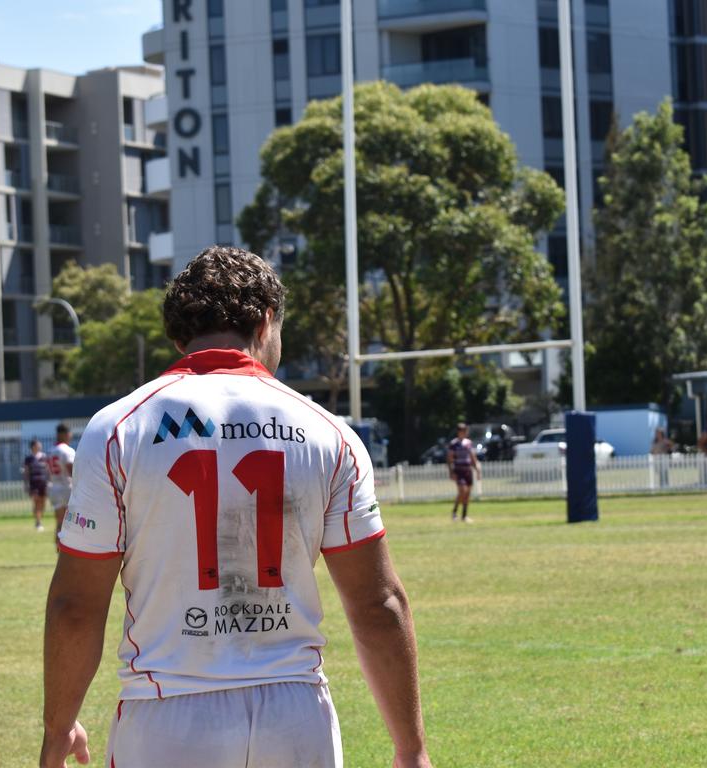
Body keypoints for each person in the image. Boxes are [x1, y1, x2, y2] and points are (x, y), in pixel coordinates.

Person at [40, 246, 432, 768]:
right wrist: (412, 749)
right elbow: (378, 606)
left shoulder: (119, 428)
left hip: (167, 712)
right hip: (295, 715)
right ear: (267, 320)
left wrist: (58, 726)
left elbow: (76, 607)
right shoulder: (328, 432)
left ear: (179, 338)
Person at [447, 422, 481, 522]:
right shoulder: (454, 444)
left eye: (466, 431)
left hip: (468, 470)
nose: (465, 432)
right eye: (463, 431)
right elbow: (449, 458)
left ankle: (464, 515)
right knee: (462, 491)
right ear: (459, 432)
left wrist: (477, 469)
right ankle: (454, 512)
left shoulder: (468, 443)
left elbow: (472, 456)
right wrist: (451, 471)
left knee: (467, 493)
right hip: (459, 470)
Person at [47, 424, 76, 541]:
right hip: (66, 488)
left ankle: (58, 550)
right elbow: (71, 469)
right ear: (64, 434)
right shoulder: (67, 450)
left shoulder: (50, 451)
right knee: (72, 522)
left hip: (54, 487)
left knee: (59, 522)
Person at [23, 439, 49, 532]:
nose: (40, 446)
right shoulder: (28, 458)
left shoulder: (44, 457)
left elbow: (48, 470)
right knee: (36, 502)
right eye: (38, 445)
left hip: (43, 483)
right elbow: (26, 472)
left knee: (43, 502)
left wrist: (50, 481)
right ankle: (38, 522)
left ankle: (39, 518)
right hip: (33, 483)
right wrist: (26, 484)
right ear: (33, 446)